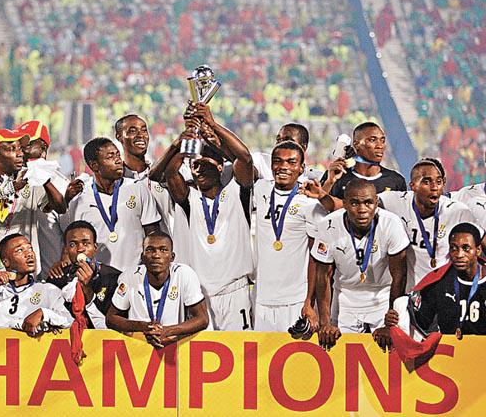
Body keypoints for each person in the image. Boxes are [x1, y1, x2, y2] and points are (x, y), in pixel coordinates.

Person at [164, 102, 254, 330]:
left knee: (238, 349)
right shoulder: (190, 199)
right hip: (199, 295)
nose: (198, 170)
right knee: (200, 351)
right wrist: (187, 140)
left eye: (204, 163)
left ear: (220, 166)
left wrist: (212, 124)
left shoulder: (237, 192)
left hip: (235, 291)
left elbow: (245, 158)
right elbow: (171, 173)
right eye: (194, 165)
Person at [312, 179, 409, 350]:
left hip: (383, 297)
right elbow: (323, 277)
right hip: (345, 299)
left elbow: (399, 275)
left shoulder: (391, 223)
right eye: (355, 203)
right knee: (340, 355)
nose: (362, 209)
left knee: (388, 355)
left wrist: (391, 322)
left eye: (368, 202)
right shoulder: (328, 226)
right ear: (345, 204)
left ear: (376, 203)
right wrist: (325, 323)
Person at [0, 129, 66, 277]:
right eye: (11, 149)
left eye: (20, 148)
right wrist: (9, 188)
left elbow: (60, 207)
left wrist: (45, 180)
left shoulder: (29, 176)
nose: (20, 154)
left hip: (26, 274)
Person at [252, 141, 327, 332]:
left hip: (296, 300)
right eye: (277, 161)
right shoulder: (260, 189)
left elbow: (317, 257)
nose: (283, 167)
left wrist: (309, 302)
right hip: (262, 298)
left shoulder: (310, 202)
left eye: (291, 162)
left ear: (301, 168)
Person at [379, 159, 477, 291]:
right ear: (413, 186)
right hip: (409, 292)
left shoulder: (458, 211)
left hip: (444, 291)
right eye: (426, 182)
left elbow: (479, 245)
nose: (434, 187)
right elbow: (363, 198)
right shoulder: (394, 202)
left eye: (439, 182)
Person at [65, 137, 161, 272]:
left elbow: (152, 233)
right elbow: (73, 241)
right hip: (98, 276)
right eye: (110, 157)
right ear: (94, 165)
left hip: (135, 274)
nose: (118, 160)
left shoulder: (137, 188)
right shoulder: (80, 198)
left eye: (118, 155)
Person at [106, 231, 209, 348]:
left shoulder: (184, 274)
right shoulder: (130, 276)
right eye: (150, 250)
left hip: (173, 345)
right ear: (142, 257)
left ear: (172, 257)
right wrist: (144, 327)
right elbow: (111, 318)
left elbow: (203, 319)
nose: (156, 255)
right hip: (137, 346)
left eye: (163, 250)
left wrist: (167, 331)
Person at [0, 233, 73, 336]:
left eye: (30, 248)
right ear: (6, 262)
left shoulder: (48, 290)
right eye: (20, 250)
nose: (29, 254)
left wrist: (45, 314)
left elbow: (69, 320)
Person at [386, 223, 486, 336]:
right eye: (453, 248)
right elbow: (421, 322)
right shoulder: (438, 283)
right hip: (450, 346)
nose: (459, 254)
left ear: (478, 250)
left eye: (466, 248)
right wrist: (394, 319)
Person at [17, 120, 70, 276]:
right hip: (20, 281)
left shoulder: (60, 184)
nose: (21, 150)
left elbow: (73, 232)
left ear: (43, 149)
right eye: (19, 145)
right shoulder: (14, 182)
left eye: (27, 145)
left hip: (52, 278)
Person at [47, 220, 121, 328]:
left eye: (86, 243)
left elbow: (112, 325)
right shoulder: (57, 278)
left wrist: (87, 288)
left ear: (95, 247)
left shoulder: (113, 278)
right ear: (66, 249)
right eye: (72, 244)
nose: (80, 249)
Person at [324, 122, 406, 200]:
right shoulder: (335, 176)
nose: (380, 146)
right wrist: (330, 182)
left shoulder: (396, 180)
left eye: (382, 141)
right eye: (372, 140)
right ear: (356, 144)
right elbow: (318, 205)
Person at [252, 123, 322, 182]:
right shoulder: (262, 161)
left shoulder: (315, 178)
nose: (280, 144)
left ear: (303, 147)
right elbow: (246, 161)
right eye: (278, 140)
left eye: (287, 141)